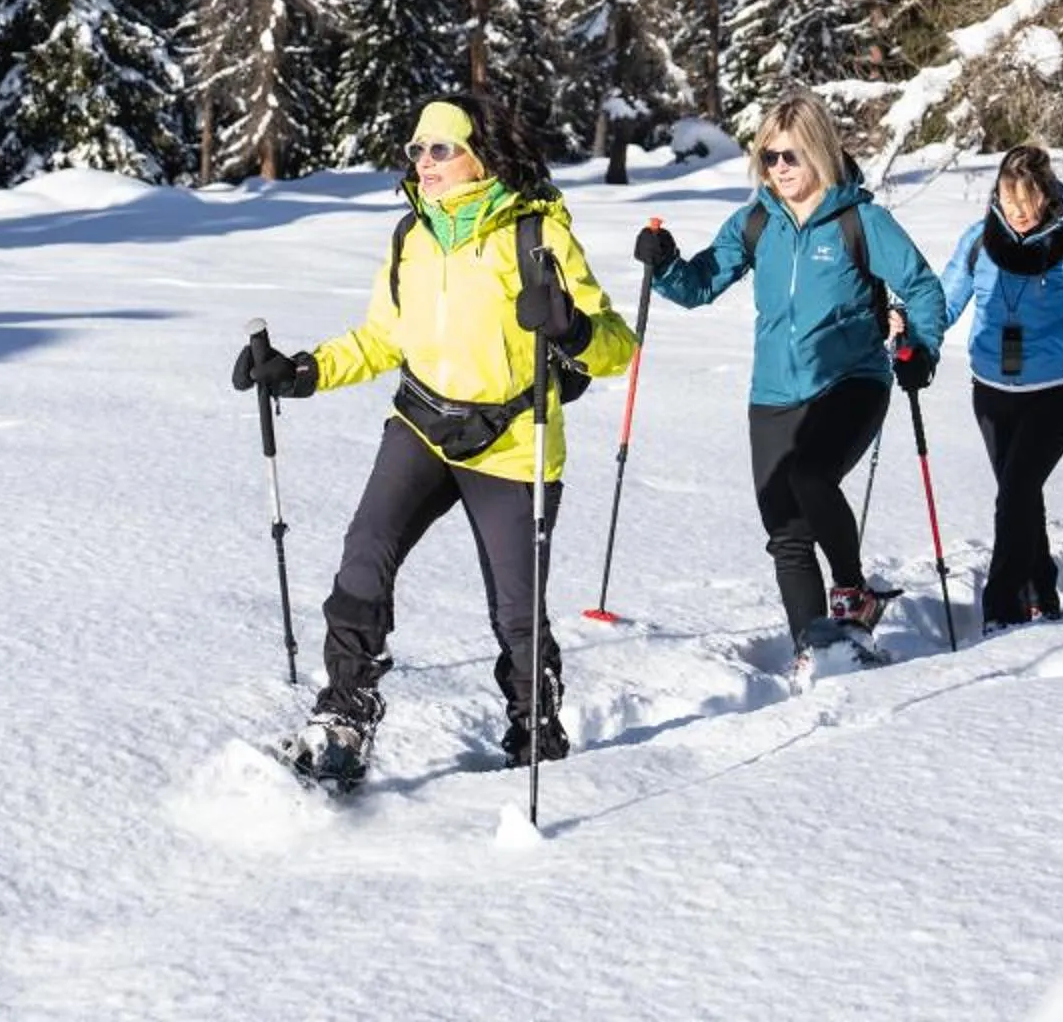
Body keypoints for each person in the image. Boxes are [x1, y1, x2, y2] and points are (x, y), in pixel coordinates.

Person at [232, 93, 638, 787]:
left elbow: (617, 348)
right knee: (366, 551)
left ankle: (534, 732)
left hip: (513, 441)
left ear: (481, 154)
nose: (424, 162)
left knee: (516, 608)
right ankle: (344, 715)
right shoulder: (410, 238)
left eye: (441, 148)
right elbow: (384, 338)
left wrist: (570, 330)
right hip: (421, 425)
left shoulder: (535, 234)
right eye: (416, 149)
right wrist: (301, 371)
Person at [635, 91, 949, 667]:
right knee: (785, 530)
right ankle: (816, 649)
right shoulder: (757, 221)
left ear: (820, 154)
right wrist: (665, 263)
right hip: (774, 393)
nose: (779, 169)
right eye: (770, 157)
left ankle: (852, 592)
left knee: (810, 473)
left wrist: (921, 348)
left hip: (851, 380)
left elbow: (923, 286)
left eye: (791, 157)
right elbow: (699, 284)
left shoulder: (859, 219)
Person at [940, 145, 1063, 627]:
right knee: (1021, 494)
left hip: (1059, 388)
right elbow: (944, 300)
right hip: (992, 388)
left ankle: (1002, 607)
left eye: (1026, 207)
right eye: (1009, 206)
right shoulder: (980, 240)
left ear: (1046, 199)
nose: (1017, 216)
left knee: (1014, 492)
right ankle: (1042, 593)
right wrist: (912, 330)